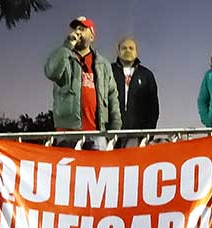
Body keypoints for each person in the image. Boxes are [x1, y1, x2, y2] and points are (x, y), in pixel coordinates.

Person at [44, 16, 122, 150]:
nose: (77, 31)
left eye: (82, 28)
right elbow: (51, 72)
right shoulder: (64, 56)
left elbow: (112, 96)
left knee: (99, 170)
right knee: (68, 170)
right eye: (75, 28)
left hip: (97, 133)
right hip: (67, 133)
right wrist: (68, 45)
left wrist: (114, 129)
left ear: (91, 36)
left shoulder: (103, 64)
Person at [111, 38, 159, 136]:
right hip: (111, 133)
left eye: (131, 48)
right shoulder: (108, 71)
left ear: (136, 52)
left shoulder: (146, 75)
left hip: (138, 134)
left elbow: (153, 108)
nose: (128, 51)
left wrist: (148, 133)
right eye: (124, 48)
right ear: (118, 51)